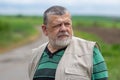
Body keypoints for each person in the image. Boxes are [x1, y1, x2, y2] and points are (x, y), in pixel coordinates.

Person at [28, 5, 108, 80]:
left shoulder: (90, 52)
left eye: (67, 24)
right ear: (45, 30)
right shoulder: (36, 54)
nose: (63, 29)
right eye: (57, 25)